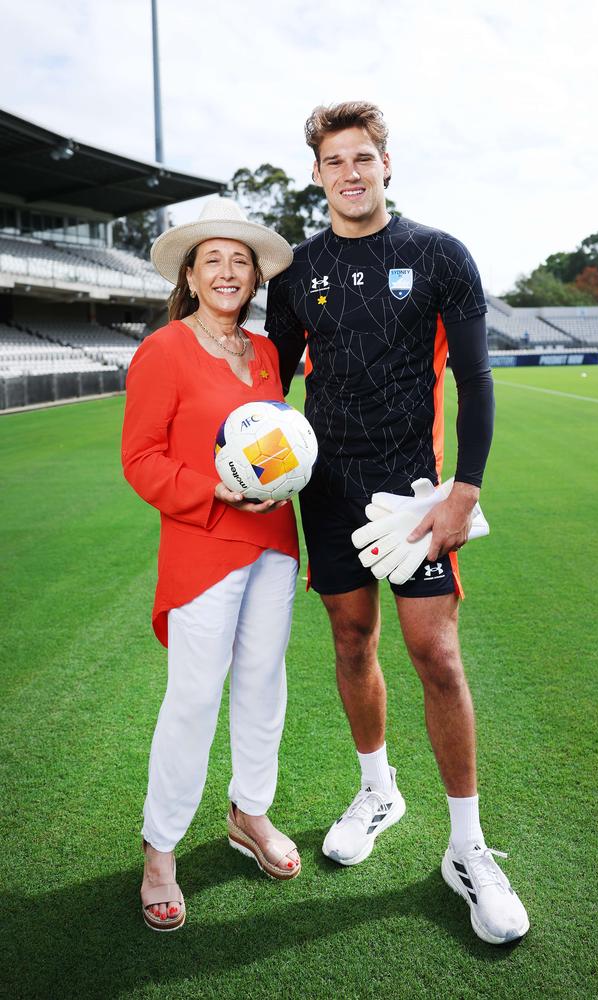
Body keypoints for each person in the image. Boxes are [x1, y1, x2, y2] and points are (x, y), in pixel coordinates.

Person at [265, 102, 529, 945]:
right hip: (328, 493)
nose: (350, 172)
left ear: (387, 164)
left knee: (436, 657)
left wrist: (467, 488)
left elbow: (479, 381)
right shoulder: (296, 270)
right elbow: (267, 383)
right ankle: (378, 791)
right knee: (351, 643)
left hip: (415, 493)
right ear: (317, 174)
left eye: (363, 157)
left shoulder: (439, 254)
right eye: (334, 160)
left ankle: (466, 849)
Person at [122, 197, 302, 933]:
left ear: (255, 276)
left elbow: (277, 446)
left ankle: (248, 814)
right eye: (213, 261)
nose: (228, 272)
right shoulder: (163, 350)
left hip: (275, 543)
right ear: (191, 277)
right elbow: (141, 461)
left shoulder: (264, 354)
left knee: (264, 684)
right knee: (194, 698)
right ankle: (159, 849)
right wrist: (213, 492)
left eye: (240, 261)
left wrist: (279, 484)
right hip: (203, 544)